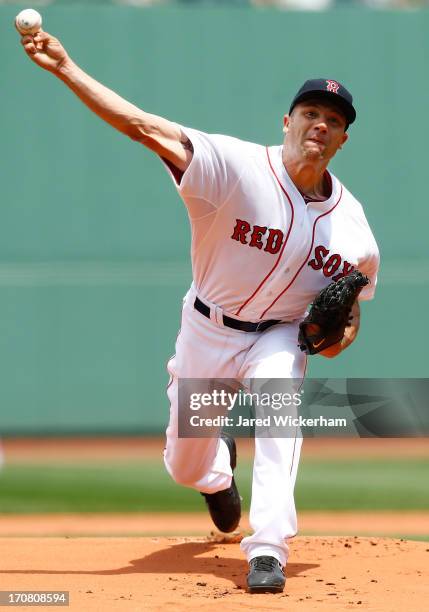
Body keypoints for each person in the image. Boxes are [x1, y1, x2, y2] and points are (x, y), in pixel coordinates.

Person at [18, 29, 379, 594]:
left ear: (343, 138)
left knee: (280, 406)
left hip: (277, 338)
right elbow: (142, 125)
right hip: (208, 328)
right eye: (310, 112)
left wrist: (337, 339)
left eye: (333, 120)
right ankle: (215, 473)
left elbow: (349, 319)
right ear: (286, 121)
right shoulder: (233, 166)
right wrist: (66, 68)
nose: (320, 125)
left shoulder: (352, 227)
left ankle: (269, 550)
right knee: (183, 466)